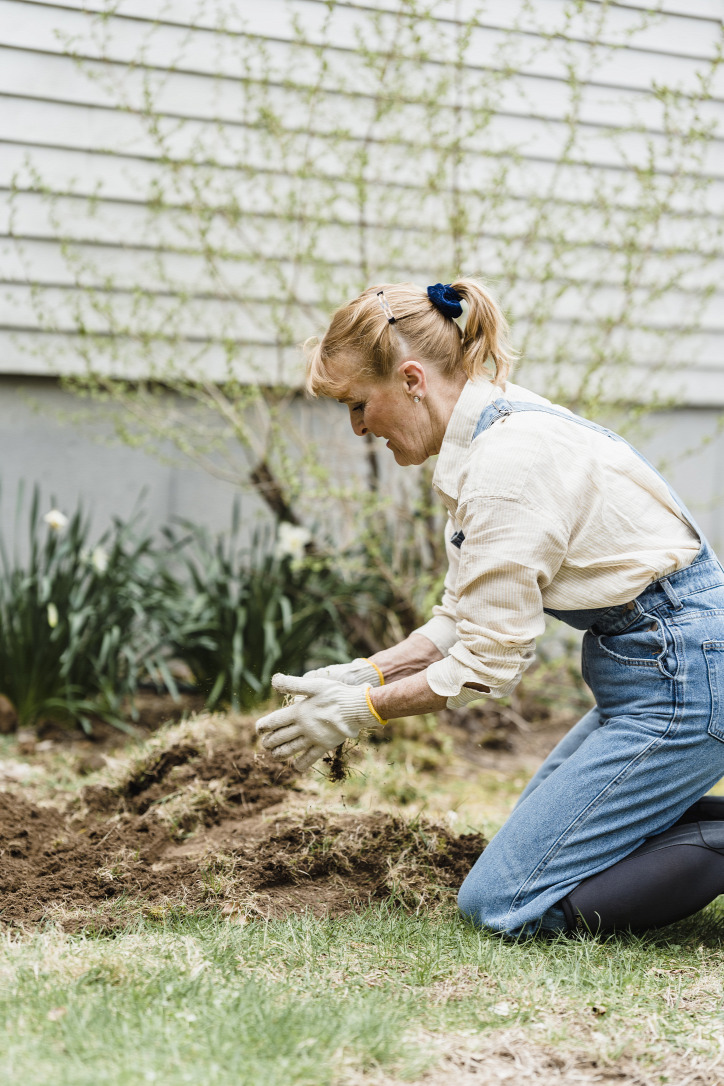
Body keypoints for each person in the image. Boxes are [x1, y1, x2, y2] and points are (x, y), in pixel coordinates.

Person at [256, 278, 724, 936]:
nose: (358, 427)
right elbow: (462, 618)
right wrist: (369, 673)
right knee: (549, 849)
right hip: (662, 667)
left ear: (412, 380)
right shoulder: (487, 433)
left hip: (685, 681)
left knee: (505, 901)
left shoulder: (507, 463)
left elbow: (489, 660)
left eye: (359, 404)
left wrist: (362, 713)